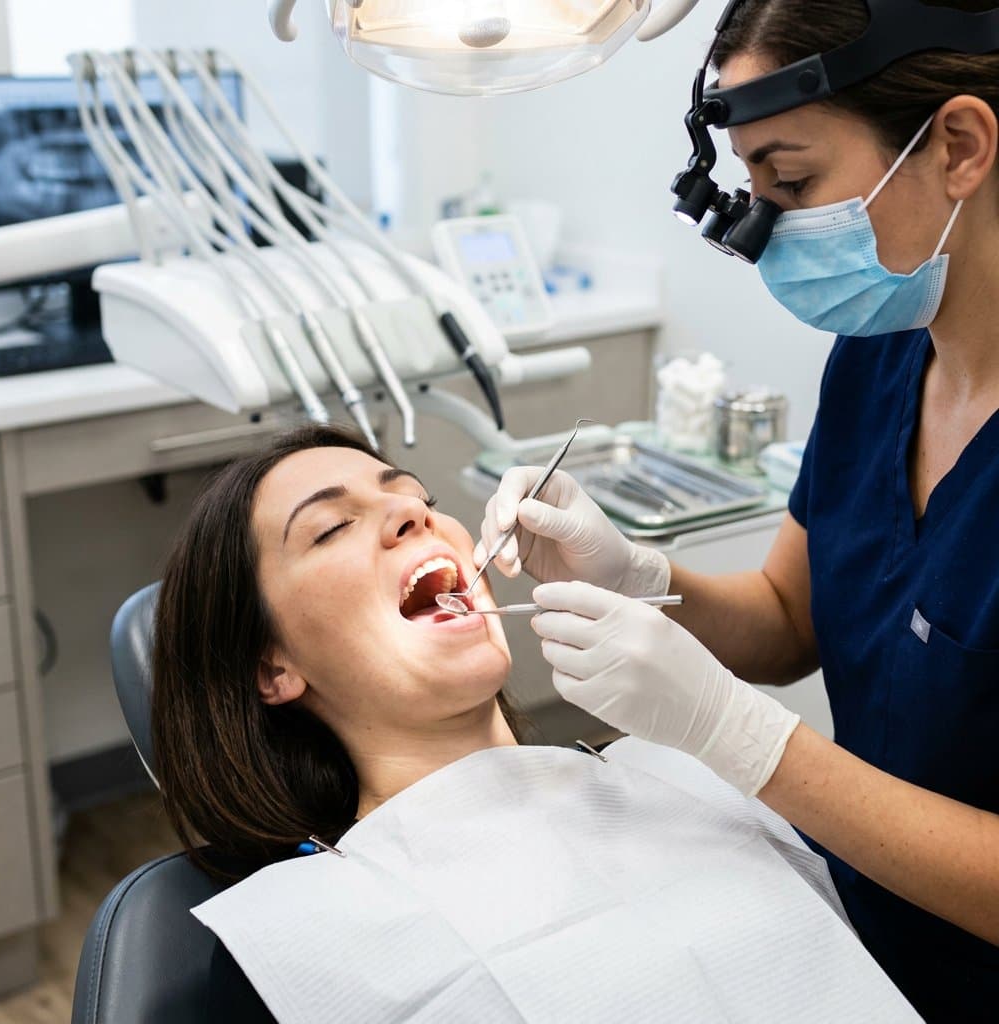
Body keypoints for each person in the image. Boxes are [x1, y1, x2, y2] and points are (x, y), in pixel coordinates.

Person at [478, 2, 999, 1019]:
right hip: (850, 946)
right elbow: (787, 617)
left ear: (960, 146)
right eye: (750, 187)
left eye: (791, 181)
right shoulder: (879, 351)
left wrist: (745, 742)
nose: (764, 231)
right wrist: (636, 575)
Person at [151, 423, 911, 1022]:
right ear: (273, 669)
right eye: (329, 529)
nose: (410, 513)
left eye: (413, 494)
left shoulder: (680, 776)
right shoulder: (302, 944)